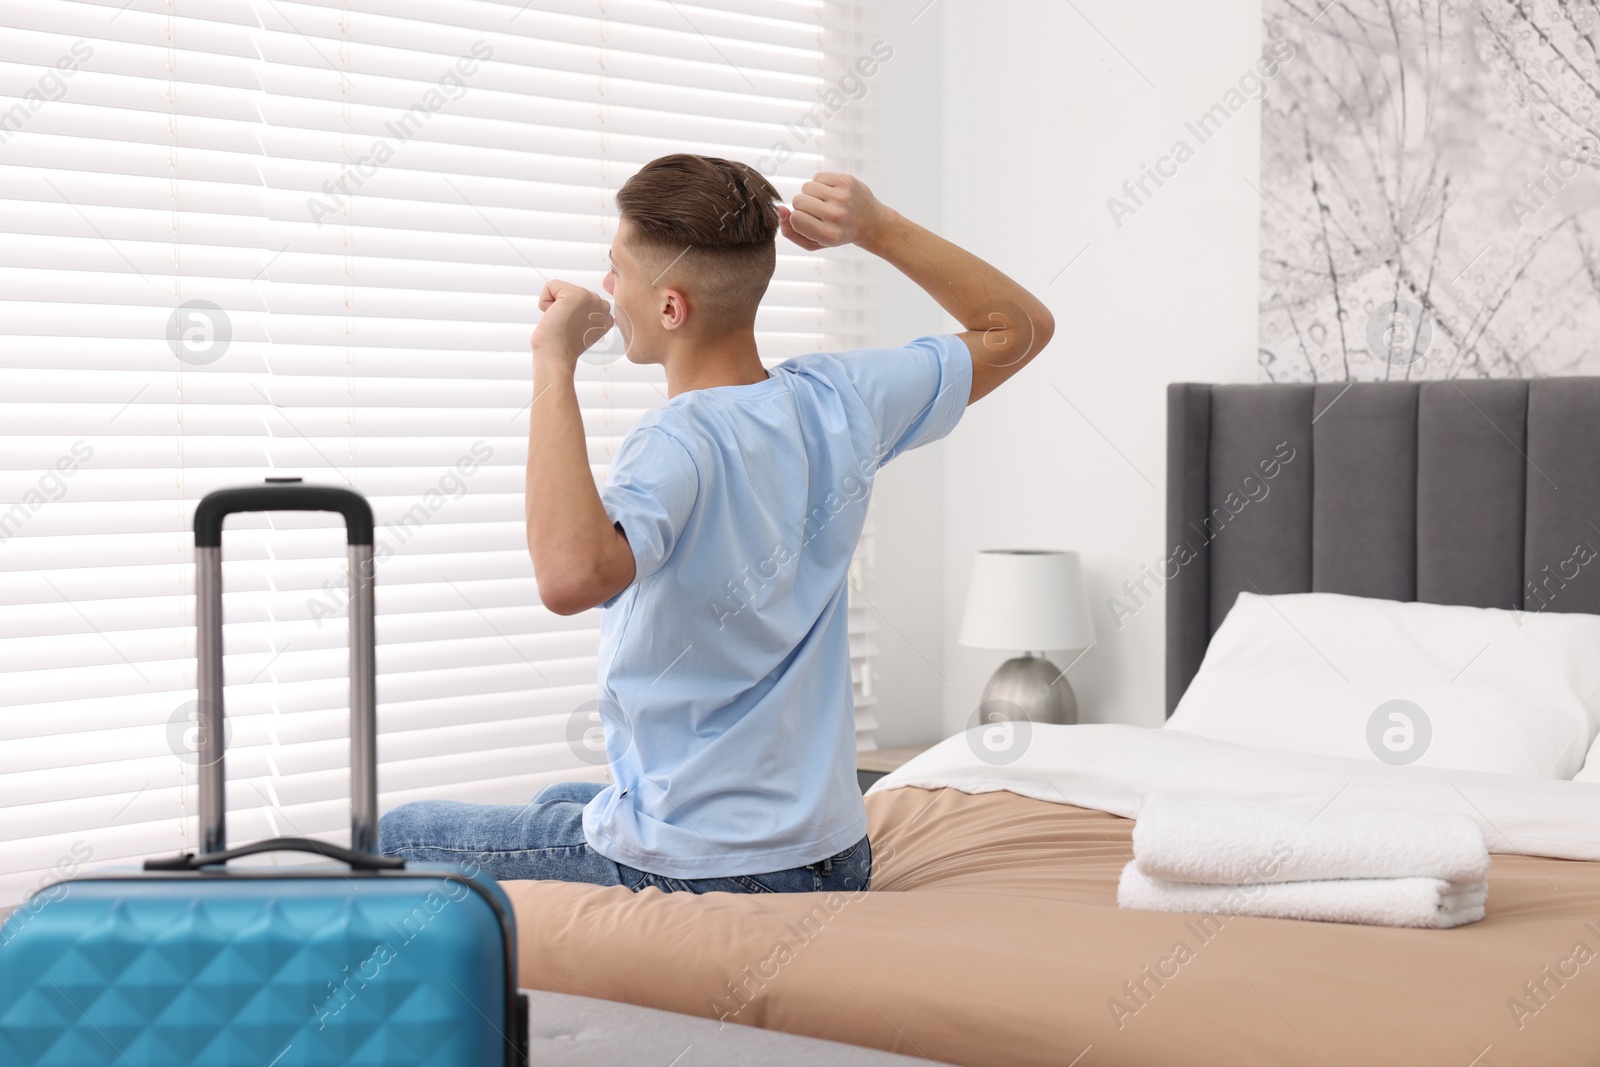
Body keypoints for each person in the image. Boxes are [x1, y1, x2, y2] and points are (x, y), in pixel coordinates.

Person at [378, 154, 1054, 894]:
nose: (607, 287)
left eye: (617, 271)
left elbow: (571, 576)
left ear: (671, 309)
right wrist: (876, 227)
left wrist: (553, 362)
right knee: (558, 803)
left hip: (715, 866)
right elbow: (1017, 328)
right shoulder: (842, 398)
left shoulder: (675, 441)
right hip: (832, 851)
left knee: (389, 833)